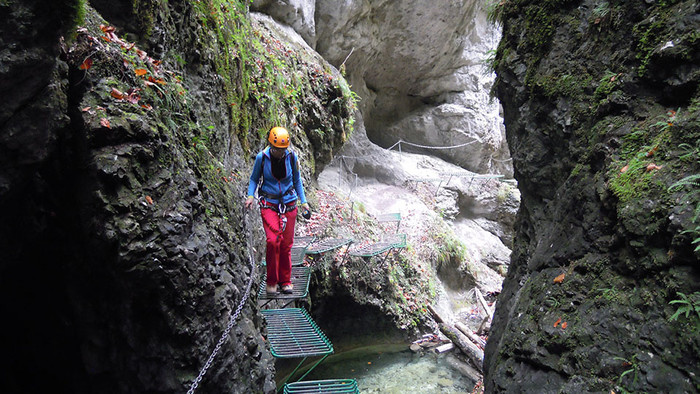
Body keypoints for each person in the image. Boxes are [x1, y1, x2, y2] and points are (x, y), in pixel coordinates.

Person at [245, 127, 310, 294]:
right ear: (271, 146)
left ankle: (285, 280)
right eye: (277, 150)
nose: (280, 153)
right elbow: (254, 179)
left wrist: (304, 202)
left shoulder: (292, 157)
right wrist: (250, 196)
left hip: (289, 204)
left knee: (286, 244)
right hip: (269, 204)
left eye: (283, 150)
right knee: (273, 241)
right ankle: (271, 281)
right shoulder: (262, 158)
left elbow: (297, 180)